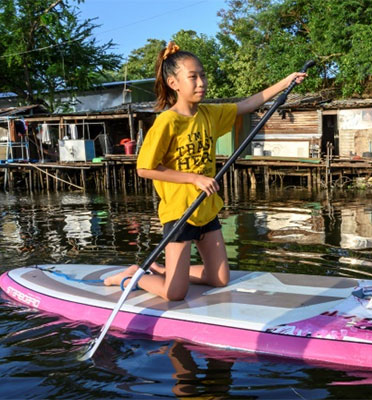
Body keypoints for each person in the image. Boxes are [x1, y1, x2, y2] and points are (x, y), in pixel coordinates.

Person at [103, 41, 306, 300]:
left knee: (219, 279)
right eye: (193, 77)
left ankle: (159, 269)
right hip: (180, 212)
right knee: (175, 293)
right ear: (173, 83)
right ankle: (133, 278)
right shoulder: (167, 121)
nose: (201, 82)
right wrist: (194, 178)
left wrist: (285, 82)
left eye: (203, 75)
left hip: (206, 209)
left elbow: (247, 104)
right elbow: (144, 168)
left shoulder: (209, 114)